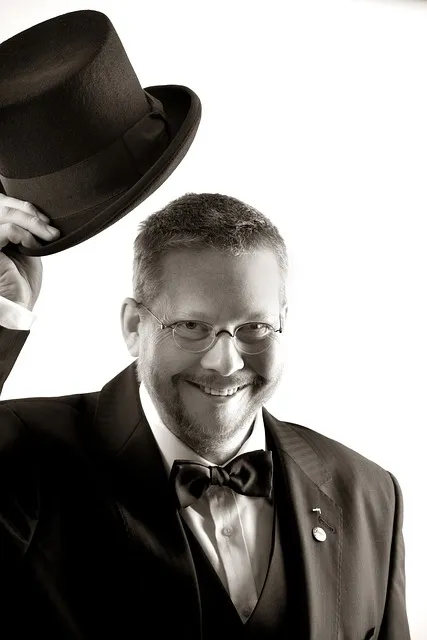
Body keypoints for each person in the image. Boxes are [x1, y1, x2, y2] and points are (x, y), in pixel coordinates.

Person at [0, 191, 410, 639]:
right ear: (134, 327)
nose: (226, 363)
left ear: (283, 322)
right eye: (192, 327)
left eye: (254, 327)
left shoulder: (371, 495)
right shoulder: (21, 454)